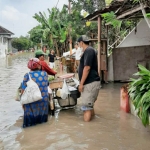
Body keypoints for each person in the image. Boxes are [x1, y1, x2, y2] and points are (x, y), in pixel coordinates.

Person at [77, 35, 100, 122]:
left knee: (86, 108)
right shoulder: (90, 50)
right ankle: (92, 128)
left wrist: (81, 83)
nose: (79, 46)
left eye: (79, 44)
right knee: (89, 107)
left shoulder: (88, 51)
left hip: (89, 84)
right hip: (91, 83)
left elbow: (87, 68)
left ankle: (87, 130)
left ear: (81, 43)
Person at [21, 58, 49, 127]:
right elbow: (47, 84)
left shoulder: (27, 75)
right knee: (43, 124)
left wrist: (22, 102)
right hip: (43, 100)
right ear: (39, 66)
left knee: (29, 125)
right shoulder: (45, 74)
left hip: (32, 101)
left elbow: (23, 90)